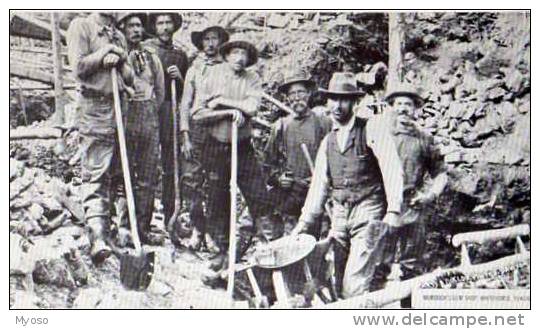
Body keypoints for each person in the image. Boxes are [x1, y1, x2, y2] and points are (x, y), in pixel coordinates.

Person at [291, 72, 404, 299]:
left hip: (368, 210)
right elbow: (319, 187)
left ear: (355, 102)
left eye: (344, 99)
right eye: (333, 99)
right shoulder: (328, 142)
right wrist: (304, 222)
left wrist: (393, 211)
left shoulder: (371, 129)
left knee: (354, 284)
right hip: (340, 214)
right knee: (335, 278)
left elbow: (393, 169)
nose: (338, 105)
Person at [191, 36, 272, 273]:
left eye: (244, 54)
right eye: (235, 53)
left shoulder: (252, 79)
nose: (239, 58)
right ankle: (221, 252)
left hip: (243, 145)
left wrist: (224, 103)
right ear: (226, 55)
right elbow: (197, 114)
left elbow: (252, 108)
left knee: (258, 194)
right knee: (217, 199)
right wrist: (226, 114)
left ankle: (269, 246)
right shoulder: (211, 76)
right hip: (215, 145)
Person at [66, 12, 134, 264]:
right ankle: (97, 237)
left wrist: (121, 60)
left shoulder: (118, 35)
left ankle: (111, 231)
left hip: (119, 108)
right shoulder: (81, 26)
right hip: (95, 107)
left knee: (116, 170)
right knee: (96, 169)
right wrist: (104, 54)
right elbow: (79, 67)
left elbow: (130, 77)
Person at [384, 84, 448, 308]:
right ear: (391, 107)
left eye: (408, 104)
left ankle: (408, 311)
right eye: (398, 104)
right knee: (377, 262)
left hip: (413, 206)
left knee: (413, 264)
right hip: (383, 207)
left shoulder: (424, 139)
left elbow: (441, 174)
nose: (403, 109)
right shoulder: (380, 135)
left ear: (415, 109)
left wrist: (429, 195)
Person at [262, 70, 332, 241]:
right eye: (291, 94)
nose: (296, 97)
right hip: (291, 192)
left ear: (309, 94)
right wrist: (278, 178)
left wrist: (325, 180)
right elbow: (267, 164)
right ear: (286, 98)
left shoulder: (323, 122)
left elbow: (336, 156)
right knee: (285, 236)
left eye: (300, 92)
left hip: (318, 191)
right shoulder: (281, 126)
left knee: (318, 239)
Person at [115, 12, 165, 245]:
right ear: (122, 29)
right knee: (123, 173)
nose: (136, 30)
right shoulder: (116, 54)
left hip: (147, 116)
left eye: (139, 26)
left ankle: (142, 227)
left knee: (147, 175)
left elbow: (161, 92)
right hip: (124, 115)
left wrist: (150, 109)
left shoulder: (151, 57)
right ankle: (122, 225)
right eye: (131, 25)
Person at [179, 25, 230, 251]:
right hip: (196, 131)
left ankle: (213, 234)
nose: (210, 44)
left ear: (221, 43)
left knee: (216, 184)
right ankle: (197, 229)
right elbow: (185, 104)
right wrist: (185, 136)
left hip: (218, 133)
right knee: (191, 183)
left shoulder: (228, 70)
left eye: (215, 39)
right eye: (207, 39)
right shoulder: (195, 69)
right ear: (201, 43)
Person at [143, 12, 189, 227]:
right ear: (155, 27)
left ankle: (172, 214)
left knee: (171, 162)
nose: (165, 27)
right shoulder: (145, 50)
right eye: (160, 23)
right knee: (147, 163)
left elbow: (185, 93)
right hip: (150, 109)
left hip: (170, 111)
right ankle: (143, 219)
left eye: (168, 22)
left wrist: (179, 78)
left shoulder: (180, 55)